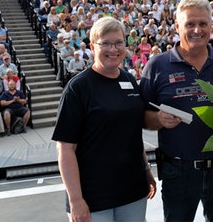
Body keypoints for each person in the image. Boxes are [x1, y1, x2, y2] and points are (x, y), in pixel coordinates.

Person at [140, 0, 213, 222]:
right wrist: (159, 119)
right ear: (177, 26)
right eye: (190, 24)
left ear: (211, 26)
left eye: (203, 23)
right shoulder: (157, 65)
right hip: (178, 170)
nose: (197, 30)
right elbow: (141, 116)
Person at [52, 17, 156, 222]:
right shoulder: (78, 88)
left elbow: (133, 133)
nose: (113, 49)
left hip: (132, 190)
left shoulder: (128, 80)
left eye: (118, 42)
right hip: (93, 196)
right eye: (105, 43)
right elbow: (65, 149)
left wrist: (146, 170)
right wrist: (76, 200)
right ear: (92, 47)